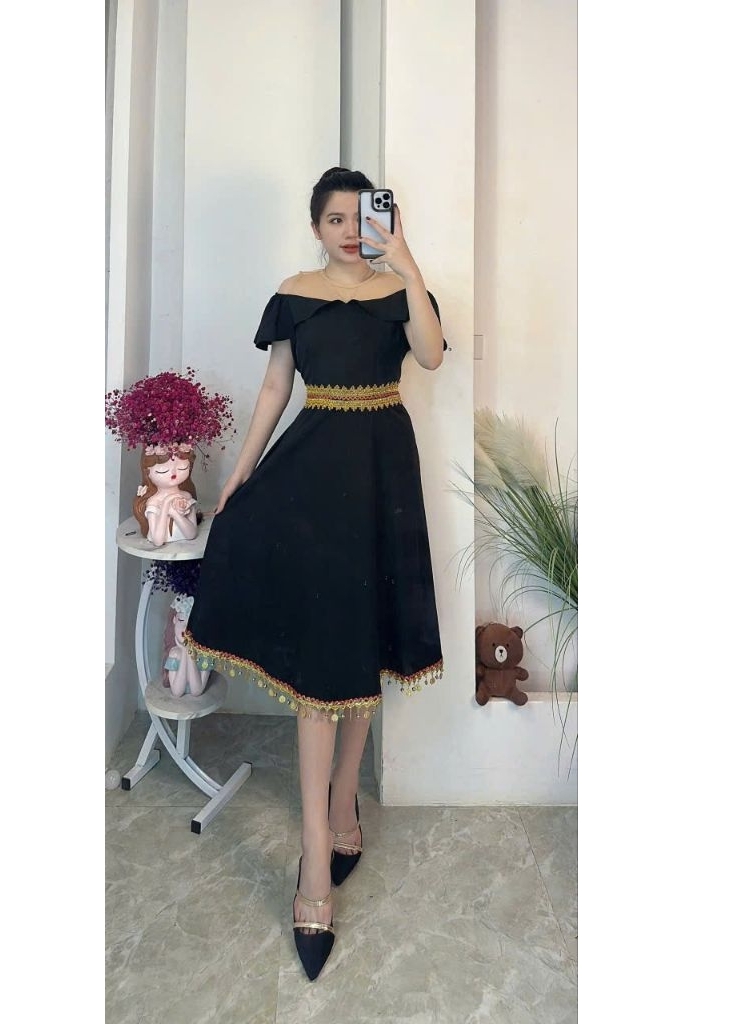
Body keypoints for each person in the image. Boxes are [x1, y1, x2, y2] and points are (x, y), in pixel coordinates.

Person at [183, 167, 445, 981]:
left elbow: (432, 355)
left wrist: (409, 262)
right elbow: (275, 387)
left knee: (362, 644)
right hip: (311, 478)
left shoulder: (402, 291)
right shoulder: (294, 295)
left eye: (360, 218)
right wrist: (239, 473)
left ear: (380, 222)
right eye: (334, 219)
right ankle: (314, 859)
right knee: (323, 659)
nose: (347, 231)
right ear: (315, 227)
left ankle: (341, 801)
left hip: (383, 476)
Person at [132, 443, 200, 545]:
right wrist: (165, 505)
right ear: (147, 473)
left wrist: (174, 513)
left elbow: (191, 535)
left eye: (182, 468)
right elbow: (158, 541)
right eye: (163, 471)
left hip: (183, 547)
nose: (174, 474)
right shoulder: (153, 501)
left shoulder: (186, 496)